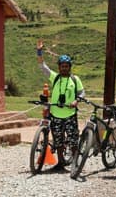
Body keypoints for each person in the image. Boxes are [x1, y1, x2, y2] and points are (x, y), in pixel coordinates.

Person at [36, 39, 85, 170]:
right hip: (55, 114)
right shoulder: (55, 77)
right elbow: (42, 66)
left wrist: (76, 101)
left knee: (73, 139)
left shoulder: (75, 79)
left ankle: (75, 163)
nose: (64, 68)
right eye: (62, 66)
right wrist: (39, 51)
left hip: (70, 114)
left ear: (70, 67)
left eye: (66, 66)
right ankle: (61, 163)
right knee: (57, 140)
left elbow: (82, 93)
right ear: (59, 67)